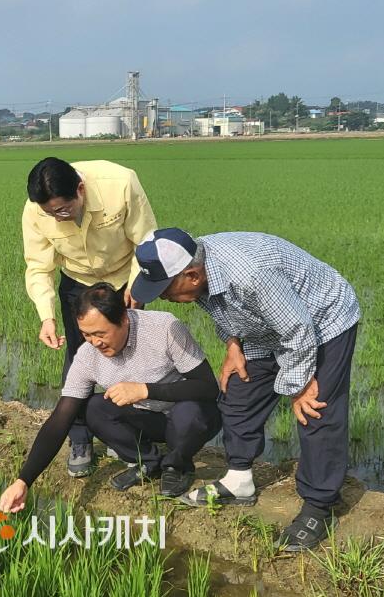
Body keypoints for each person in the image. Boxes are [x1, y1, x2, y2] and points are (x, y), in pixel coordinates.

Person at [130, 228, 360, 551]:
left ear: (192, 275)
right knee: (238, 392)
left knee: (314, 408)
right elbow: (224, 310)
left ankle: (319, 506)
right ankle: (239, 480)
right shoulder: (198, 267)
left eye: (165, 289)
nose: (164, 297)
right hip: (268, 325)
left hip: (321, 321)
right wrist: (233, 343)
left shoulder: (251, 274)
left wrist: (299, 386)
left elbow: (298, 330)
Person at [0, 283, 221, 513]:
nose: (95, 342)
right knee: (93, 408)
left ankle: (178, 466)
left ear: (123, 319)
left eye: (100, 333)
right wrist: (23, 480)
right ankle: (147, 462)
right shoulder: (87, 356)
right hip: (149, 419)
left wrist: (145, 390)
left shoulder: (163, 328)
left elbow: (207, 387)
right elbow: (60, 419)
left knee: (189, 413)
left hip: (188, 416)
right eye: (87, 334)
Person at [23, 157, 157, 477]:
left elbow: (146, 241)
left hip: (125, 278)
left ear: (80, 190)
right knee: (79, 358)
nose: (58, 217)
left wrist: (137, 288)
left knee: (131, 354)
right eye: (50, 213)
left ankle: (122, 430)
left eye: (63, 210)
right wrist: (47, 317)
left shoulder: (121, 183)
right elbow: (38, 266)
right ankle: (80, 437)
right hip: (78, 282)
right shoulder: (35, 211)